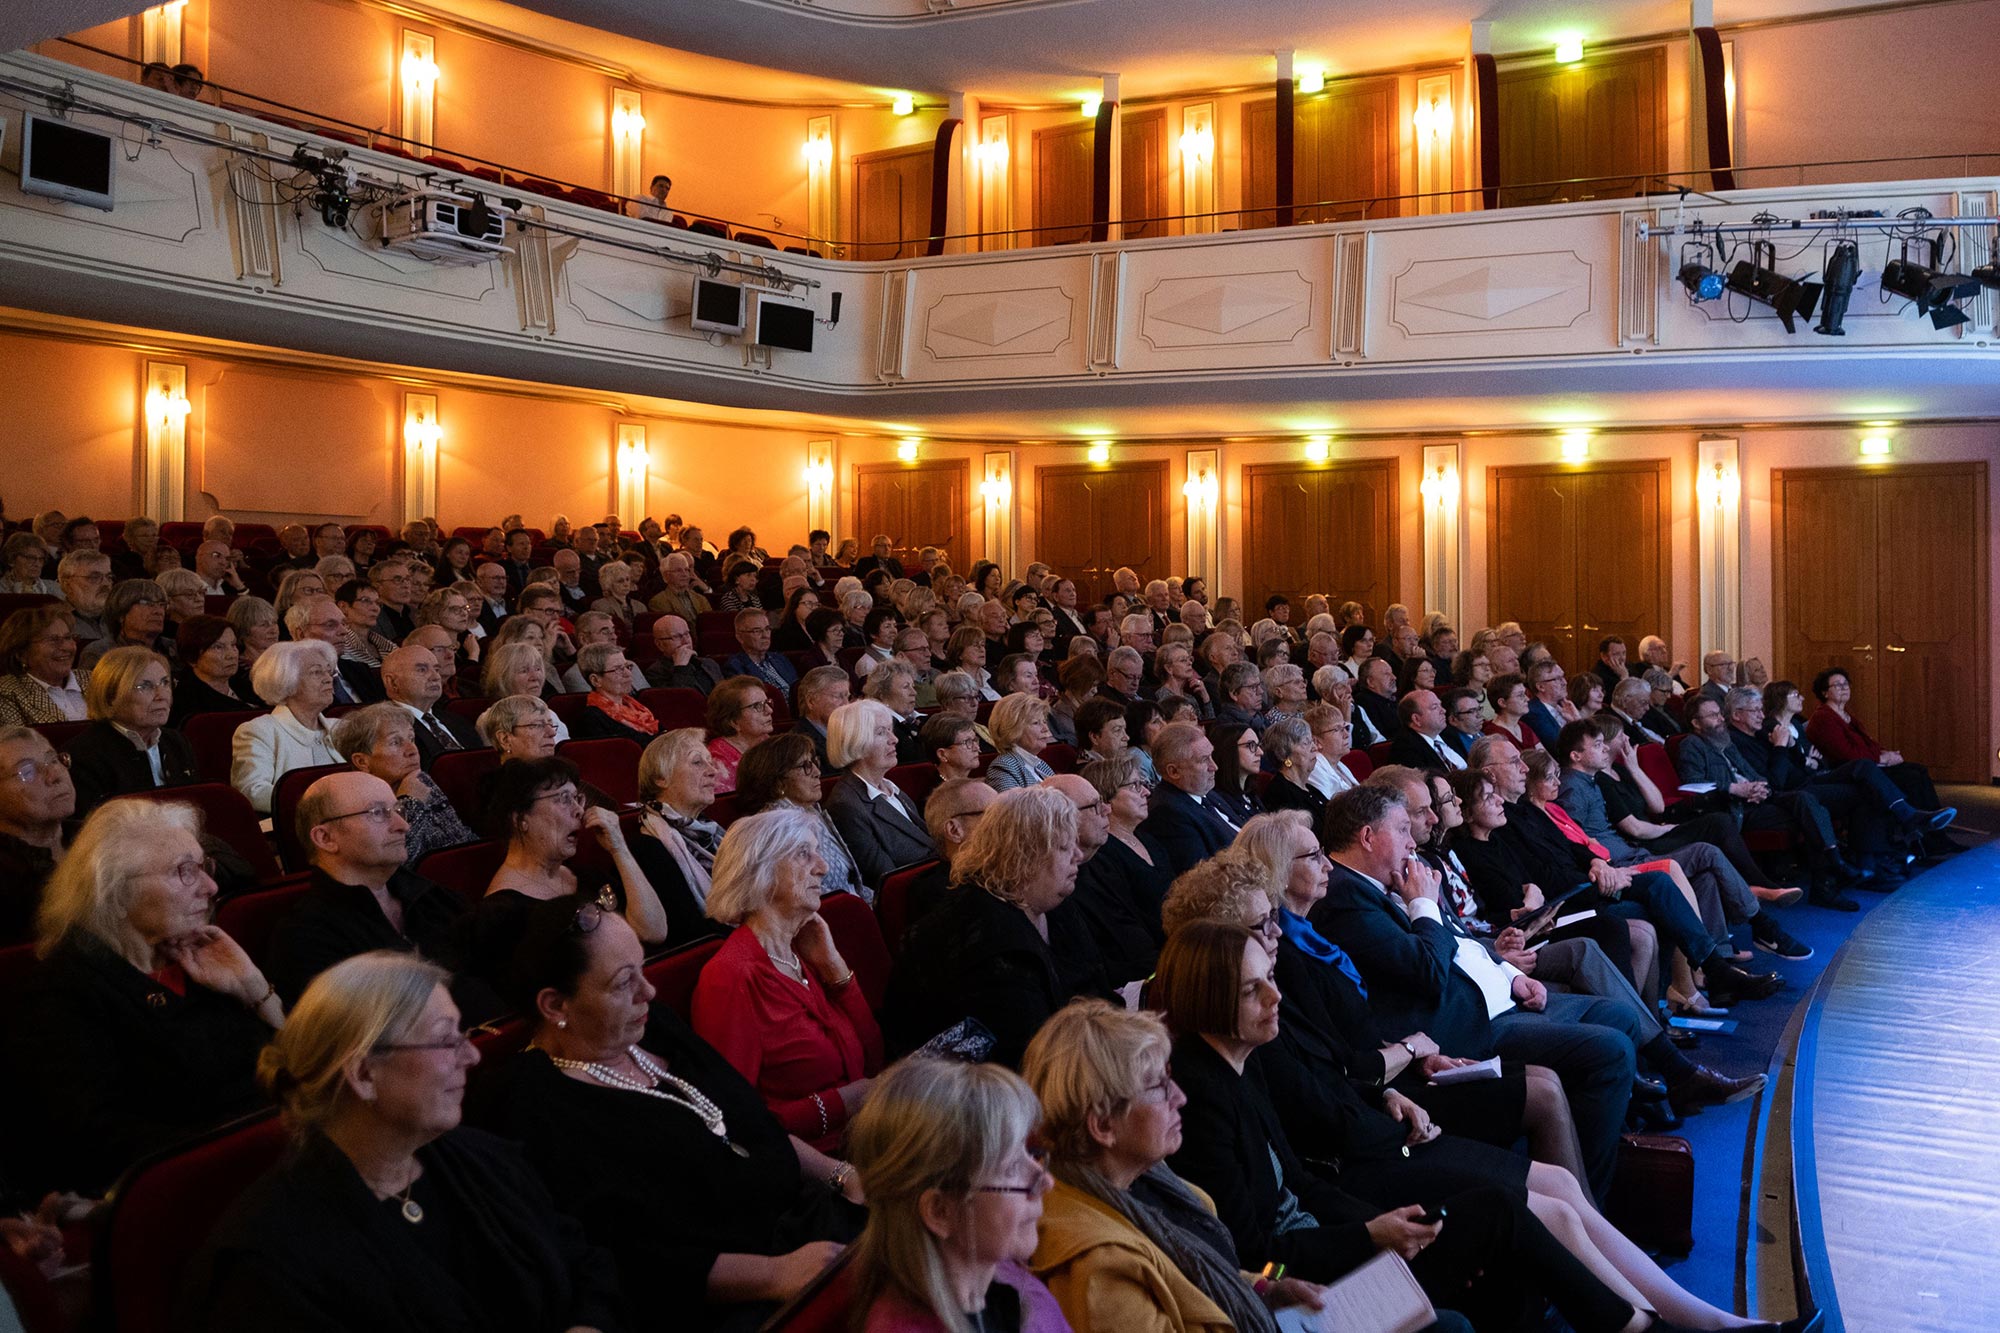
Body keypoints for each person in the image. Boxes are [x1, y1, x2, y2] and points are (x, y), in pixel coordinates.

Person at [1154, 921, 1792, 1333]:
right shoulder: (1199, 1098)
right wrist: (1368, 1232)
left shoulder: (1242, 1060)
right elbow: (1252, 1249)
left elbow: (1299, 1176)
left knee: (1541, 1203)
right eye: (1252, 990)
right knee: (1529, 1205)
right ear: (1210, 998)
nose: (1275, 997)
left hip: (1349, 1204)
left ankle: (1678, 1323)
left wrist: (1377, 1211)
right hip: (1313, 1267)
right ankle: (1660, 1325)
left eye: (1270, 979)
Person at [183, 952, 625, 1332]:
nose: (471, 1056)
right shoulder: (269, 1266)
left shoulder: (483, 1158)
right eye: (445, 1039)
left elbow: (585, 1263)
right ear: (363, 1074)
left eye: (463, 1035)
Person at [484, 901, 857, 1331]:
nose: (649, 991)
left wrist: (842, 1174)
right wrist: (777, 1275)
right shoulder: (538, 1103)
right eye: (624, 982)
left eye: (642, 969)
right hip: (736, 1297)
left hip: (808, 1219)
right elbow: (634, 1257)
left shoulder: (652, 1024)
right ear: (554, 1005)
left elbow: (753, 1124)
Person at [9, 799, 282, 1193]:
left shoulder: (203, 957)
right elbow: (101, 1141)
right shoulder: (61, 994)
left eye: (203, 866)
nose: (211, 886)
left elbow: (300, 1066)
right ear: (115, 893)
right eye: (183, 872)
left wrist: (254, 987)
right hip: (198, 1189)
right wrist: (258, 1147)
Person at [1023, 999, 1342, 1333]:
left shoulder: (1143, 1179)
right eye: (1158, 1087)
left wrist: (1267, 1288)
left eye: (1169, 1078)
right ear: (1103, 1126)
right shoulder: (1099, 1272)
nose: (1179, 1097)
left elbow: (1213, 1272)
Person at [691, 807, 883, 1150]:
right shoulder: (730, 977)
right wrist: (843, 1102)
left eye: (818, 853)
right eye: (803, 854)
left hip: (868, 1134)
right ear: (760, 871)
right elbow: (737, 1120)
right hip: (814, 1163)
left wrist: (834, 967)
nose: (822, 867)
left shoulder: (805, 954)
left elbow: (872, 1055)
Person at [846, 1057, 1069, 1333]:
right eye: (1011, 1167)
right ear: (940, 1211)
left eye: (1031, 1154)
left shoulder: (1009, 1283)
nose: (1046, 1181)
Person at [882, 785, 1100, 1066]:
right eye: (1063, 846)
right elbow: (1028, 1057)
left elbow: (1094, 986)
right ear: (1024, 856)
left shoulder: (1055, 905)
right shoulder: (985, 939)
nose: (1078, 855)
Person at [266, 768, 486, 1012]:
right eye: (378, 813)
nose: (403, 825)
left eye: (398, 811)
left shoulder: (432, 896)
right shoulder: (306, 936)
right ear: (326, 838)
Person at [1802, 667, 1953, 851]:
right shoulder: (1824, 718)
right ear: (1825, 692)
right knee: (1910, 778)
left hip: (1869, 763)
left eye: (1846, 684)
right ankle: (1921, 833)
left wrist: (1887, 755)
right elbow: (1846, 754)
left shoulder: (1848, 716)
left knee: (1918, 770)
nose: (1844, 688)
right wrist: (1883, 758)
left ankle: (1935, 836)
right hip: (1850, 772)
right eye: (1837, 685)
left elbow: (1869, 745)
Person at [60, 646, 197, 814]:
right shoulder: (83, 755)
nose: (161, 695)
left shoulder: (176, 741)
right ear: (111, 697)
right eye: (145, 686)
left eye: (165, 682)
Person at [332, 704, 475, 863]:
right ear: (362, 761)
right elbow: (398, 863)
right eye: (395, 742)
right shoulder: (356, 808)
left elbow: (460, 837)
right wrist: (410, 801)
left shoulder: (421, 780)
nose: (412, 750)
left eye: (411, 738)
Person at [826, 698, 939, 887]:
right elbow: (888, 880)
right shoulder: (846, 806)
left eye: (890, 730)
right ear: (856, 742)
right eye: (881, 733)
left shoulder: (890, 787)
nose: (894, 739)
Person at [231, 638, 344, 814]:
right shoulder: (259, 731)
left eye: (329, 672)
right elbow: (251, 791)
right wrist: (321, 804)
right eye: (316, 672)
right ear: (286, 681)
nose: (328, 679)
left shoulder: (341, 728)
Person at [0, 725, 75, 943]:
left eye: (53, 760)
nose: (54, 776)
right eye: (27, 771)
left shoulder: (98, 836)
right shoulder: (6, 877)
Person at [1137, 722, 1239, 875]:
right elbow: (1202, 877)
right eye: (1204, 760)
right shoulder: (1168, 814)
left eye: (1211, 756)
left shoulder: (1205, 792)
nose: (1214, 766)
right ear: (1174, 771)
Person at [0, 604, 87, 725]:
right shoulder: (7, 693)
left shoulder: (95, 679)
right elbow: (19, 741)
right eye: (53, 640)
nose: (66, 647)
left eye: (68, 637)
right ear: (21, 654)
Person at [168, 613, 257, 727]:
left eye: (233, 645)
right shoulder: (187, 705)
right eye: (218, 647)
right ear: (192, 657)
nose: (231, 655)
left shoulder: (248, 685)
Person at [569, 643, 660, 745]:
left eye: (627, 667)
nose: (628, 674)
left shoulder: (636, 706)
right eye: (618, 669)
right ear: (596, 680)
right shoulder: (592, 719)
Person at [79, 578, 171, 668]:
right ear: (121, 614)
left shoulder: (173, 650)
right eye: (148, 603)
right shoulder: (100, 653)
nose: (158, 611)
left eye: (162, 605)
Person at [706, 675, 775, 793]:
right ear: (733, 721)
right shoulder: (718, 762)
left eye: (767, 703)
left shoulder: (767, 742)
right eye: (757, 706)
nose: (769, 710)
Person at [986, 692, 1057, 791]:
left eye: (1044, 721)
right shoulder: (1003, 767)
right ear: (1012, 729)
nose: (1045, 728)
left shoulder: (1039, 764)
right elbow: (1013, 806)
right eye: (1036, 723)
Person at [721, 609, 799, 694]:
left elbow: (797, 689)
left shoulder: (780, 659)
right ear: (740, 637)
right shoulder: (735, 667)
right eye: (757, 631)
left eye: (767, 629)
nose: (765, 635)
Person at [1204, 722, 1265, 829]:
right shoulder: (1218, 800)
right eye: (1250, 745)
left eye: (1258, 745)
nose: (1260, 752)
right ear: (1228, 750)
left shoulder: (1250, 792)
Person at [1483, 671, 1541, 750]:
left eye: (1525, 694)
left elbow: (1545, 756)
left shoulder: (1523, 727)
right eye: (1520, 695)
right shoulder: (1494, 734)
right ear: (1502, 703)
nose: (1527, 699)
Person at [920, 712, 982, 782]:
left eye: (975, 740)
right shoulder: (937, 791)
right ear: (942, 754)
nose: (977, 748)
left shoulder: (975, 785)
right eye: (967, 742)